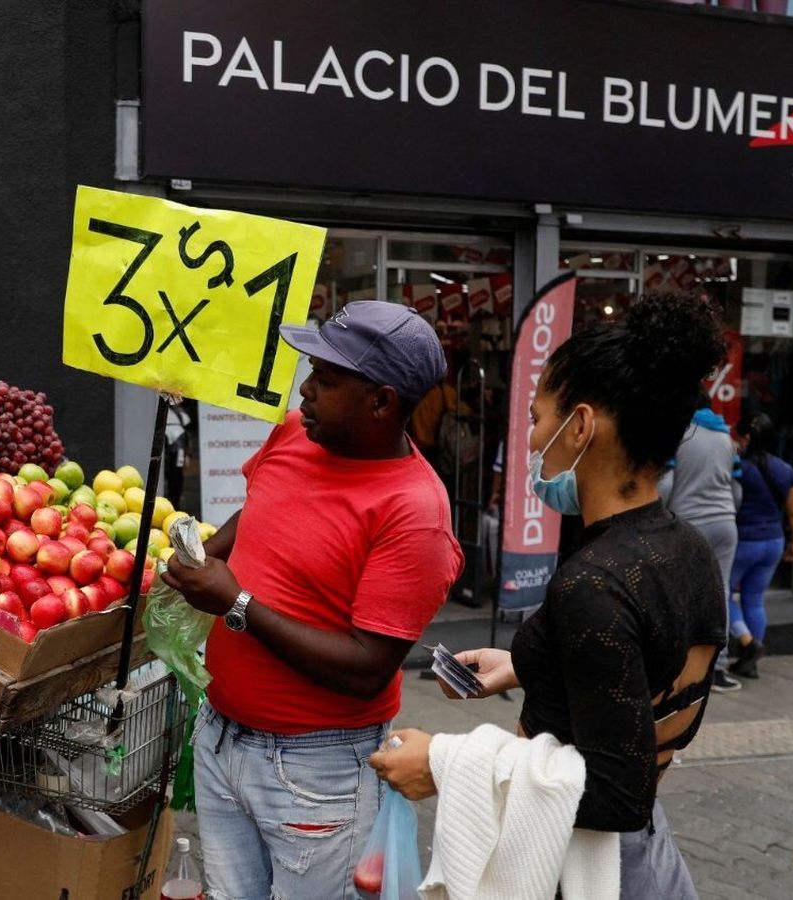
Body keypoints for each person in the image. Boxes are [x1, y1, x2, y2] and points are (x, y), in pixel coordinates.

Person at [370, 293, 728, 900]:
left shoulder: (595, 582)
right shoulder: (687, 548)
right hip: (649, 856)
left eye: (538, 419)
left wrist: (442, 763)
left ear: (581, 427)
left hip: (588, 870)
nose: (534, 442)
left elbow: (616, 792)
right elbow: (640, 672)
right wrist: (525, 666)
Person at [160, 301, 462, 900]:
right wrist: (205, 555)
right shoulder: (298, 431)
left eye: (324, 379)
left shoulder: (415, 514)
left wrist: (237, 603)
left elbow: (366, 668)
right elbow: (261, 506)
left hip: (316, 772)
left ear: (381, 402)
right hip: (220, 737)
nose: (305, 390)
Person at [659, 395, 743, 692]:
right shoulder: (726, 437)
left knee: (681, 595)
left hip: (689, 524)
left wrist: (661, 514)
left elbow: (666, 483)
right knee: (722, 592)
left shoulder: (680, 434)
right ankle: (718, 670)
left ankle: (681, 669)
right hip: (726, 524)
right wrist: (727, 512)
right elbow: (737, 489)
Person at [728, 413, 793, 680]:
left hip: (744, 541)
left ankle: (748, 643)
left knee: (722, 594)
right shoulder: (785, 470)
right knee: (754, 599)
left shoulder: (739, 468)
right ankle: (750, 663)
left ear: (746, 438)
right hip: (773, 542)